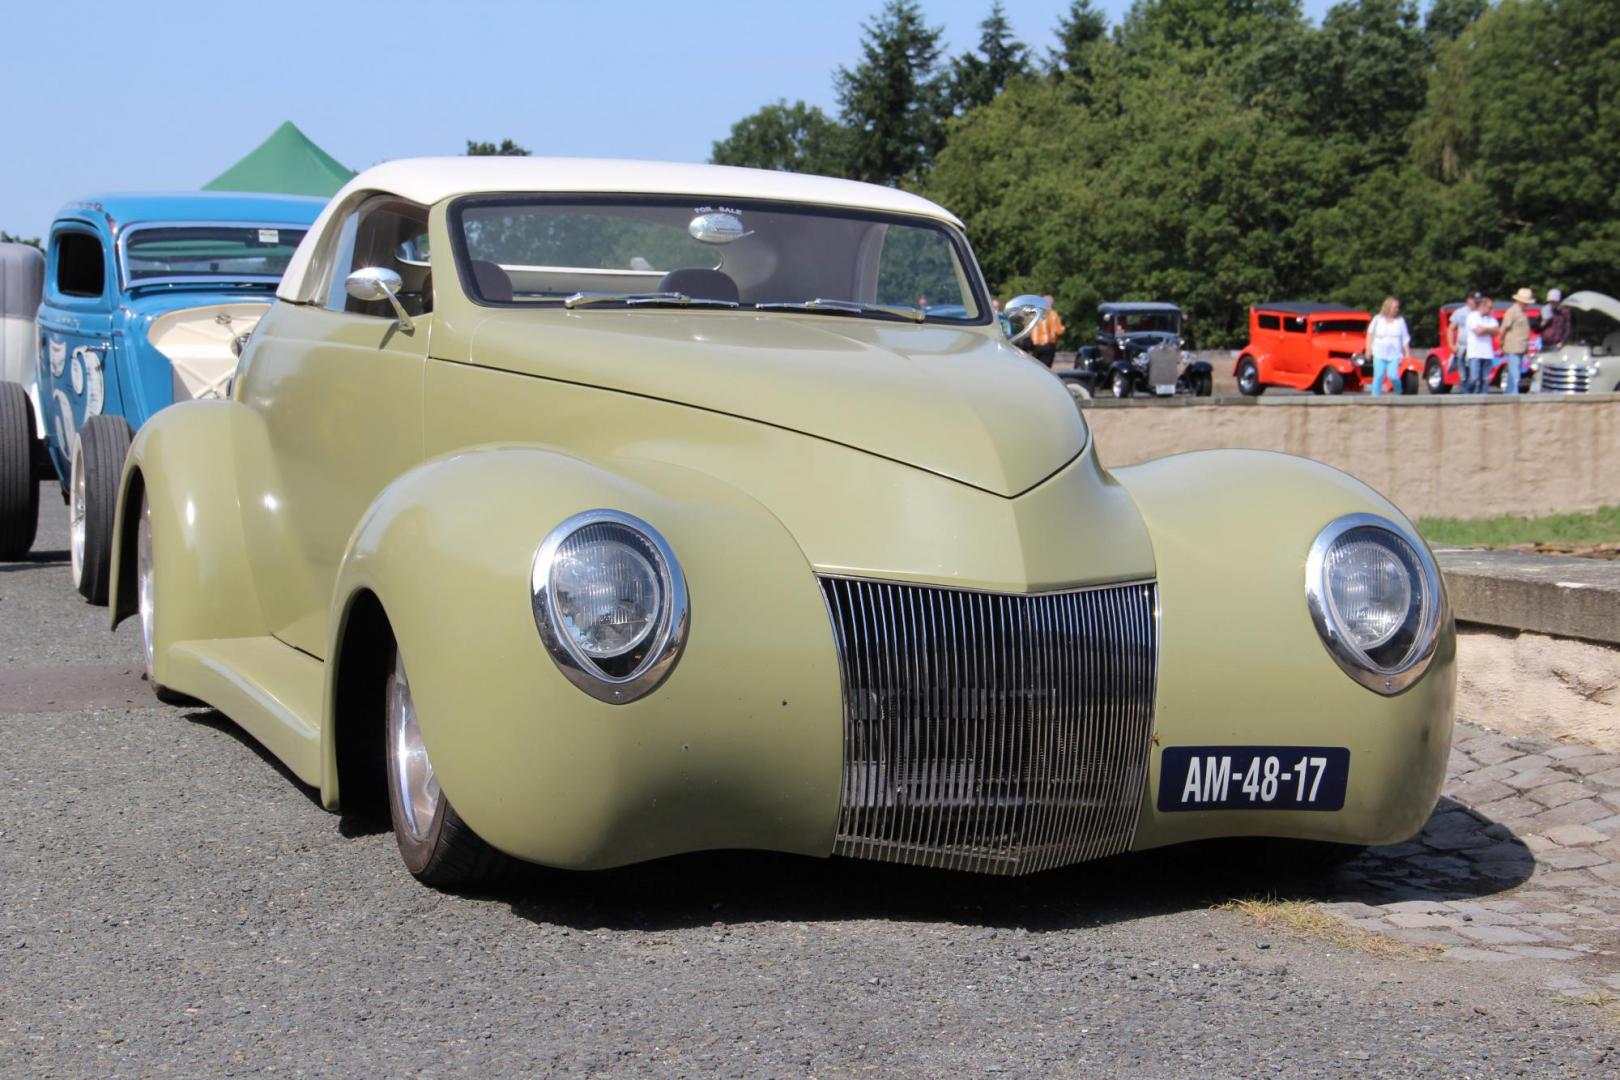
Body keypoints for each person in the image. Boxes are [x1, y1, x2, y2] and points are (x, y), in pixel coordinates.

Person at [1365, 296, 1411, 396]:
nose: (1396, 310)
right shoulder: (1377, 319)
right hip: (1379, 353)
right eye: (1394, 307)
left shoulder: (1400, 321)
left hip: (1394, 354)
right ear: (1388, 307)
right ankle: (1375, 397)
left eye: (1397, 308)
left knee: (1393, 376)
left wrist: (1407, 353)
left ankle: (1399, 392)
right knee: (1378, 376)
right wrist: (1368, 349)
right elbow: (1370, 334)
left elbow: (1405, 338)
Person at [1499, 288, 1534, 394]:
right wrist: (1501, 341)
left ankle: (1509, 394)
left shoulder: (1523, 312)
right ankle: (1513, 395)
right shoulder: (1512, 311)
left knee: (1514, 373)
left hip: (1520, 347)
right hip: (1513, 347)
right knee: (1515, 375)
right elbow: (1504, 327)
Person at [1462, 295, 1499, 394]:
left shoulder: (1491, 319)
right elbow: (1478, 331)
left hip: (1487, 353)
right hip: (1475, 353)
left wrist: (1485, 329)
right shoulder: (1472, 316)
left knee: (1485, 380)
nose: (1491, 310)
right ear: (1482, 306)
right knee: (1474, 378)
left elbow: (1496, 330)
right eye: (1489, 308)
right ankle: (1466, 393)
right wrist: (1489, 330)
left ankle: (1483, 399)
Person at [1027, 294, 1065, 368]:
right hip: (1048, 346)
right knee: (1046, 369)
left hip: (1035, 347)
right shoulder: (1053, 314)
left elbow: (1027, 331)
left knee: (1036, 368)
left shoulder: (1034, 314)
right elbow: (1059, 331)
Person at [1539, 287, 1572, 352]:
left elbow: (1567, 328)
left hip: (1557, 344)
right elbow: (1539, 326)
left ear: (1558, 301)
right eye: (1551, 301)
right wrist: (1543, 323)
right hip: (1545, 343)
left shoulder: (1564, 312)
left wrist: (1562, 342)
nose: (1552, 303)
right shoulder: (1545, 309)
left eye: (1554, 301)